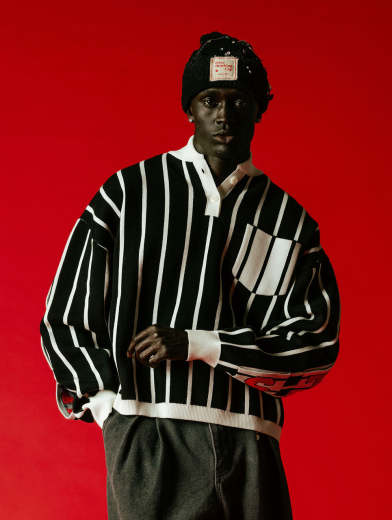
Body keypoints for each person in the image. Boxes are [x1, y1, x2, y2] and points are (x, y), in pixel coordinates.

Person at [40, 31, 341, 520]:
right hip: (149, 432)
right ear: (190, 109)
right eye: (210, 100)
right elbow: (66, 312)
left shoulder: (290, 221)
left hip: (251, 440)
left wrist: (201, 343)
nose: (224, 114)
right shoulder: (129, 192)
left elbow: (316, 344)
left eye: (238, 100)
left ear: (260, 109)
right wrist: (107, 405)